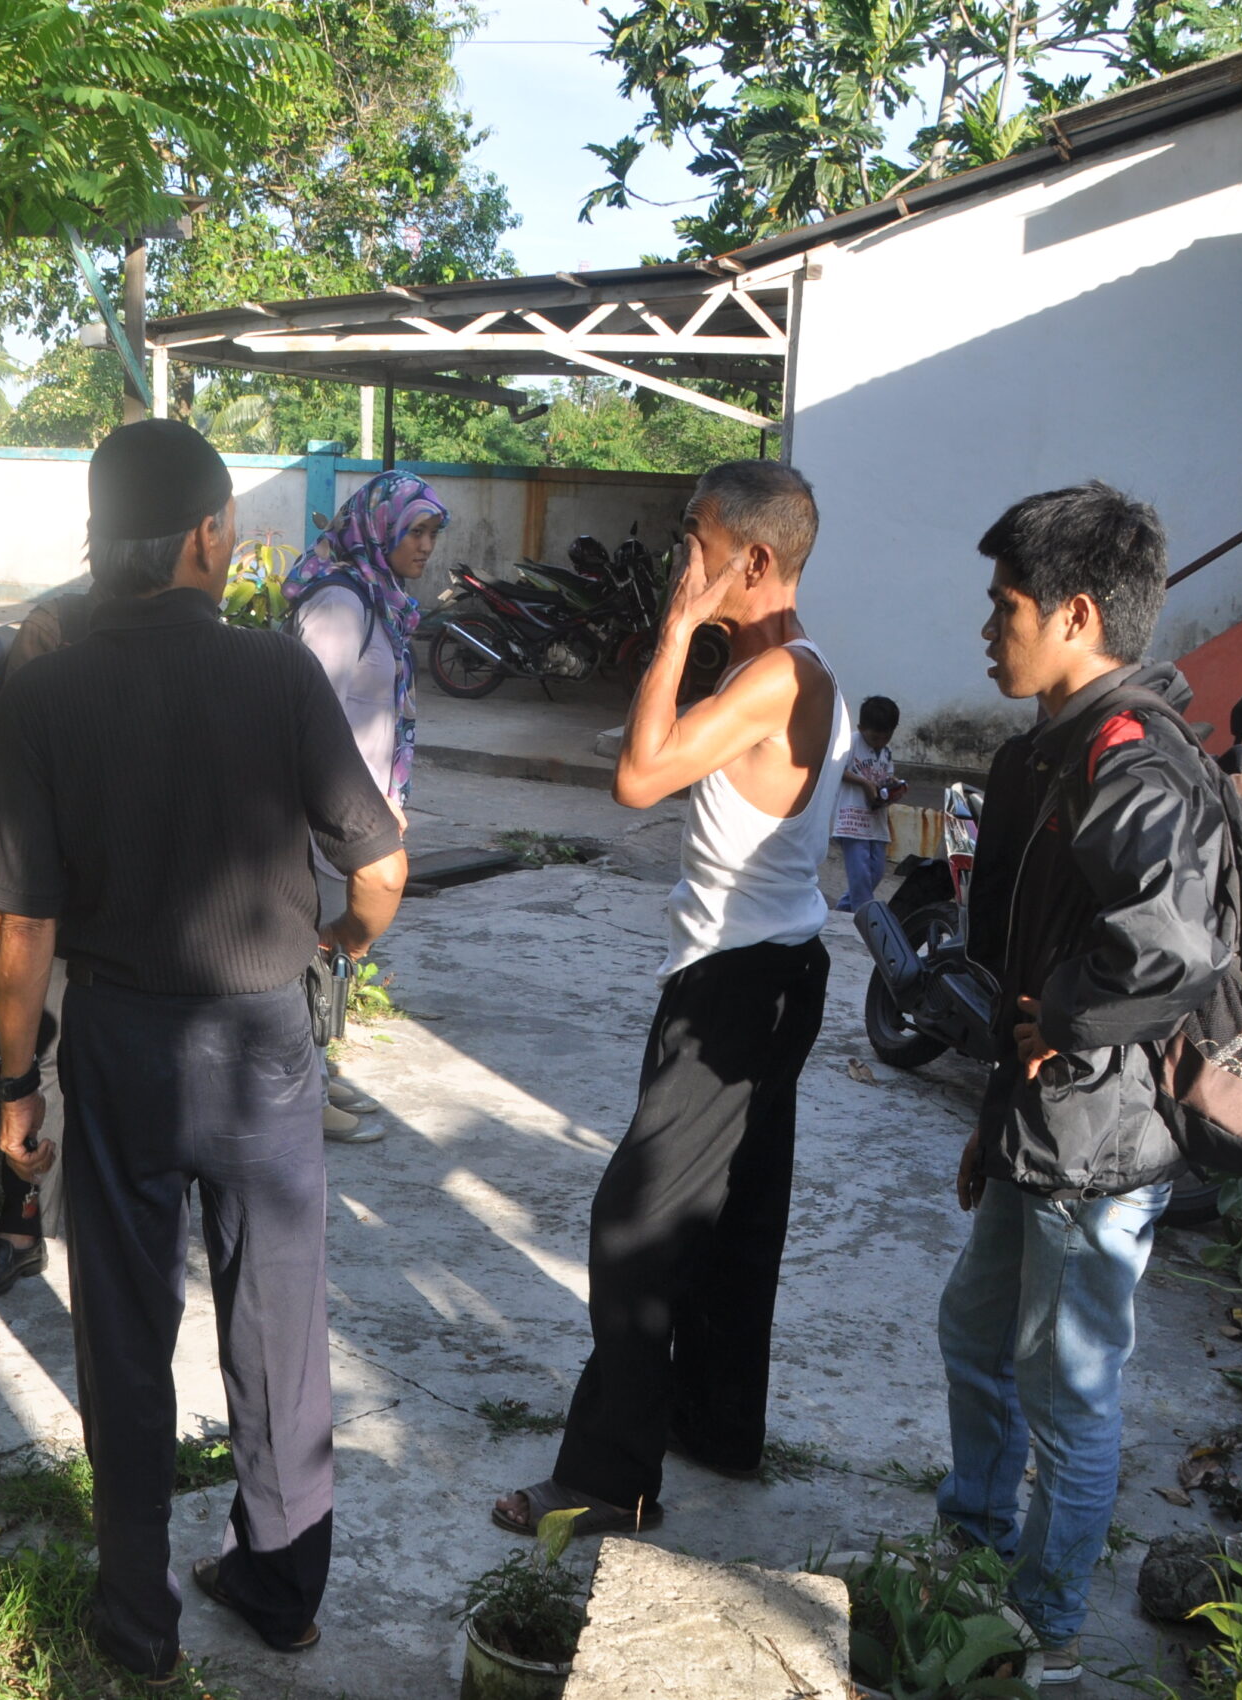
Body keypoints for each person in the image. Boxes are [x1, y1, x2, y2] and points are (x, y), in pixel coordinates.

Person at [0, 418, 408, 1686]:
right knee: (279, 1324)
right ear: (208, 535)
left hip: (121, 1047)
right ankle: (280, 1587)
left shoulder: (42, 692)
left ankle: (137, 1620)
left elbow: (21, 924)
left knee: (125, 1328)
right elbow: (380, 868)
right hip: (266, 1044)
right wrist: (335, 944)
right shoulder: (277, 672)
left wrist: (14, 1085)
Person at [492, 460, 852, 1539]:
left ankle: (610, 1477)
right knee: (736, 1217)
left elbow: (637, 776)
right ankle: (718, 1424)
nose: (676, 556)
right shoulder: (781, 666)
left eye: (694, 537)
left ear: (754, 557)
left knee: (635, 1227)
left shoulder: (774, 677)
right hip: (769, 970)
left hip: (737, 988)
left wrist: (674, 631)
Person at [937, 481, 1226, 1687]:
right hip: (1039, 1126)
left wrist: (1060, 1015)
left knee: (1068, 1389)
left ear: (1075, 615)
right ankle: (974, 1541)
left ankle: (1042, 1626)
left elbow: (1170, 948)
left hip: (1094, 1146)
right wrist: (999, 1094)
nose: (986, 626)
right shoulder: (1056, 749)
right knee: (974, 1331)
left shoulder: (1129, 761)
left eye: (1004, 604)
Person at [283, 471, 447, 1144]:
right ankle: (303, 1097)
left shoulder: (379, 595)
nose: (426, 545)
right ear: (379, 529)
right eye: (415, 531)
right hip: (330, 811)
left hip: (360, 807)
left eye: (432, 533)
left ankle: (318, 1069)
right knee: (310, 949)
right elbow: (310, 716)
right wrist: (368, 802)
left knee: (331, 953)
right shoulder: (340, 605)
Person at [0, 581, 97, 1303]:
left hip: (155, 913)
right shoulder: (59, 622)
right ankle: (21, 1225)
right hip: (53, 887)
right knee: (36, 1048)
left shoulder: (201, 631)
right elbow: (2, 767)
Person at [832, 694, 904, 911]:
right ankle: (863, 916)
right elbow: (836, 769)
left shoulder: (886, 752)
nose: (880, 742)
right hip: (851, 819)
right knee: (860, 873)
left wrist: (893, 786)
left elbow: (885, 776)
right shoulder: (851, 742)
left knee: (876, 871)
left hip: (876, 819)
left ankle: (844, 910)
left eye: (886, 737)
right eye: (874, 738)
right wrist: (863, 783)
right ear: (861, 728)